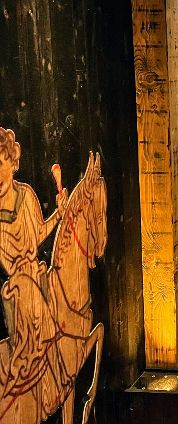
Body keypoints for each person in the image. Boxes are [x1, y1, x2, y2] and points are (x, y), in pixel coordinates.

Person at [0, 127, 68, 405]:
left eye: (0, 161)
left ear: (12, 162)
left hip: (33, 273)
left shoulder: (26, 195)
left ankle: (56, 379)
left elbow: (39, 233)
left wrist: (59, 214)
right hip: (16, 282)